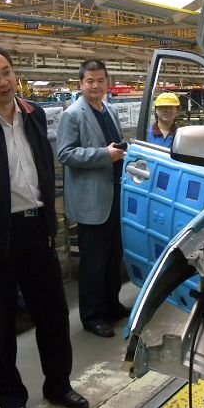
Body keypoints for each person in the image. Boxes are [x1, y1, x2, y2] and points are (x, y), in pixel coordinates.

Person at [0, 47, 89, 408]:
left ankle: (58, 384)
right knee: (0, 323)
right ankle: (11, 398)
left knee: (53, 314)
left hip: (38, 230)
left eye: (7, 71)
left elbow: (44, 168)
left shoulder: (34, 114)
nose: (4, 82)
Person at [56, 59, 129, 338]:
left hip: (115, 194)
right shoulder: (72, 114)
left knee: (113, 257)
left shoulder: (110, 110)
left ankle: (111, 304)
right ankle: (92, 316)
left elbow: (115, 144)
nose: (96, 86)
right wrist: (104, 155)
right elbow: (65, 153)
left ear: (107, 82)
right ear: (81, 84)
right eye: (90, 81)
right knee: (94, 262)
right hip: (91, 200)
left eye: (100, 80)